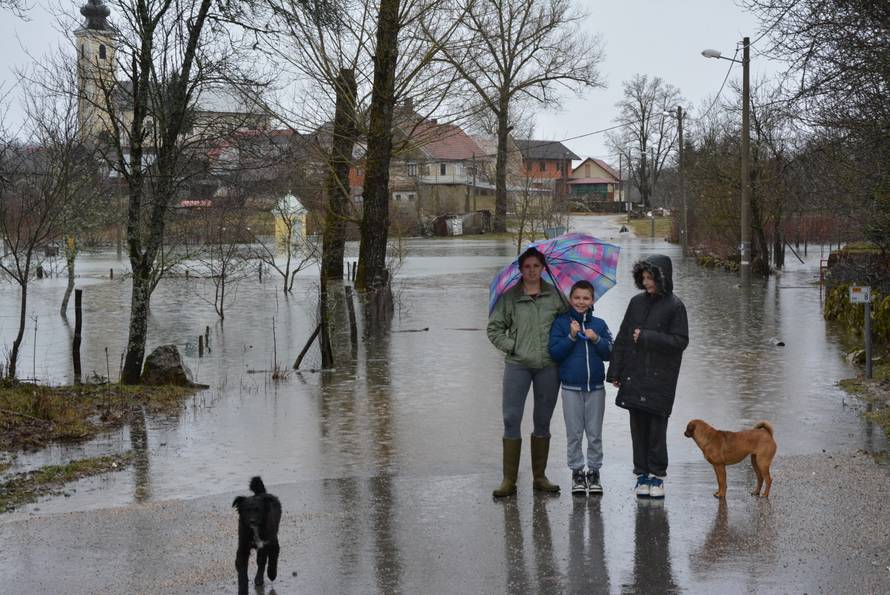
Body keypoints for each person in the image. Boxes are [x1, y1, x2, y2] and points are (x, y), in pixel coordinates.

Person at [606, 254, 688, 499]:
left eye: (650, 277)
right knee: (637, 427)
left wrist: (647, 337)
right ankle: (641, 474)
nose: (646, 281)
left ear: (662, 278)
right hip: (634, 375)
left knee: (656, 428)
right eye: (643, 277)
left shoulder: (676, 306)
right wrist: (615, 372)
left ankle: (657, 476)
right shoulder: (635, 302)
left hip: (661, 379)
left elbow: (680, 341)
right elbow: (622, 338)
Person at [487, 247, 566, 497]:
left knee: (542, 421)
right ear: (520, 270)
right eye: (527, 267)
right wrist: (514, 346)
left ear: (543, 269)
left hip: (548, 367)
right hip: (517, 366)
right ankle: (509, 480)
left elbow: (567, 326)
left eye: (536, 266)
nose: (532, 271)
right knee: (511, 419)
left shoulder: (556, 296)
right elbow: (494, 330)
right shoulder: (510, 297)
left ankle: (539, 477)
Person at [548, 280, 613, 495]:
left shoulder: (600, 324)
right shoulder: (560, 323)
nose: (581, 302)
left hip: (595, 387)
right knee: (574, 433)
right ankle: (577, 471)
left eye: (586, 298)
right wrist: (571, 336)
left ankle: (594, 472)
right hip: (570, 388)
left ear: (592, 300)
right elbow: (554, 353)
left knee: (594, 433)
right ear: (570, 299)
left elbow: (610, 353)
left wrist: (596, 340)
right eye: (576, 298)